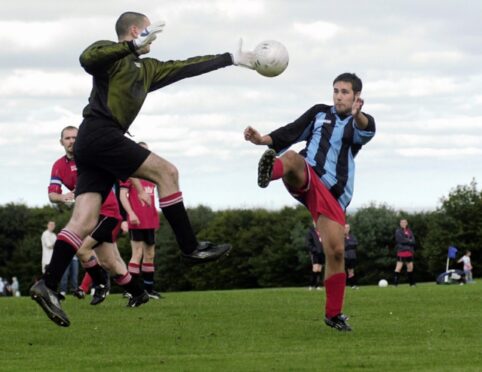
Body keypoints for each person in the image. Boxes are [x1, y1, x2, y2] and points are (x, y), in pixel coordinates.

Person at [30, 11, 257, 327]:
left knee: (82, 220)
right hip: (100, 133)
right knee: (168, 173)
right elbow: (87, 58)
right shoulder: (111, 57)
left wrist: (230, 58)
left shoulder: (148, 69)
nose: (154, 37)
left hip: (96, 142)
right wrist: (129, 46)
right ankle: (190, 247)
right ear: (135, 30)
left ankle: (48, 284)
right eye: (148, 30)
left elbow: (185, 67)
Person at [244, 73, 376, 331]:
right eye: (336, 90)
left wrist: (358, 113)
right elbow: (291, 131)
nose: (339, 96)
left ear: (356, 96)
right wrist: (261, 140)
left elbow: (366, 126)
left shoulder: (358, 123)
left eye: (345, 92)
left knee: (336, 252)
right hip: (308, 174)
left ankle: (333, 315)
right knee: (292, 157)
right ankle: (268, 174)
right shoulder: (319, 113)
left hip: (335, 194)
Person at [120, 143, 162, 299]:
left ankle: (149, 290)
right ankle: (132, 290)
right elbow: (122, 195)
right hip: (136, 220)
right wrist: (130, 213)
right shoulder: (130, 173)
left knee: (150, 254)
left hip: (150, 220)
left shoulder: (151, 175)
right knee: (137, 254)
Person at [393, 219, 416, 286]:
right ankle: (395, 284)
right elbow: (401, 240)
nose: (403, 223)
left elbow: (414, 241)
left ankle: (412, 284)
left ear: (407, 223)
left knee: (410, 268)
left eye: (404, 222)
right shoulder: (398, 231)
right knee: (398, 267)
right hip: (401, 251)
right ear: (400, 224)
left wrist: (408, 241)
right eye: (402, 222)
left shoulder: (409, 231)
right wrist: (409, 241)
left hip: (409, 251)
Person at [305, 225, 325, 290]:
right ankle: (311, 285)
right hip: (315, 253)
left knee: (319, 269)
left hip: (322, 253)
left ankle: (317, 286)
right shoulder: (311, 232)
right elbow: (308, 243)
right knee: (315, 269)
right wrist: (314, 250)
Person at [344, 224, 358, 289]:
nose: (346, 229)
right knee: (342, 271)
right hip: (344, 256)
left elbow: (355, 244)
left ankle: (352, 285)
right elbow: (344, 246)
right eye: (345, 228)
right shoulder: (341, 237)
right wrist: (349, 245)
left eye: (348, 228)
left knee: (351, 271)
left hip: (352, 256)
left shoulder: (352, 236)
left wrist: (348, 244)